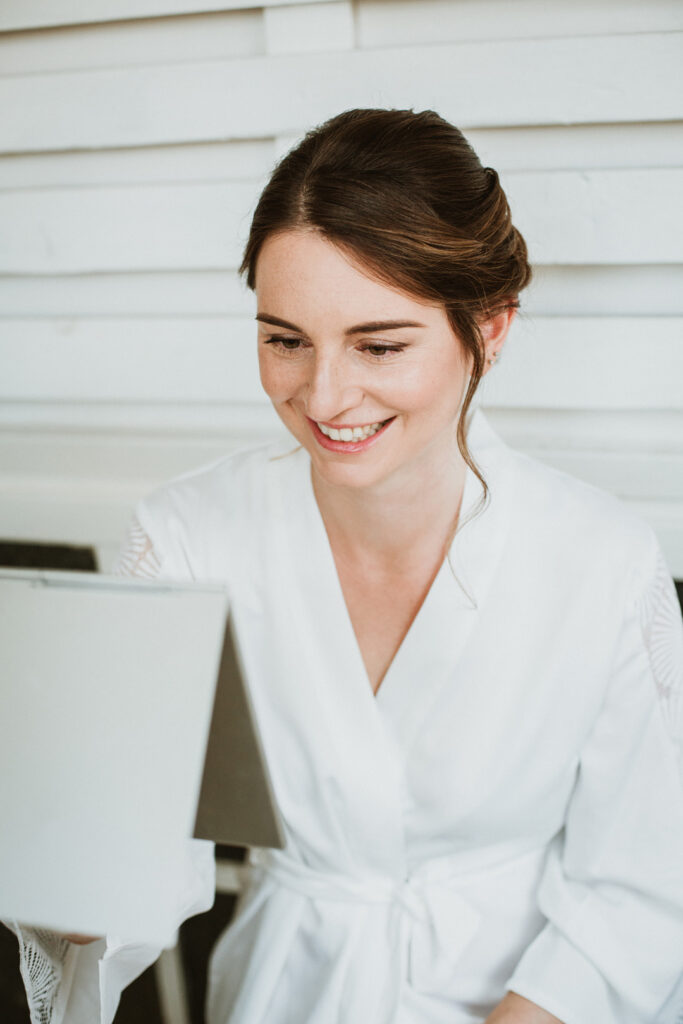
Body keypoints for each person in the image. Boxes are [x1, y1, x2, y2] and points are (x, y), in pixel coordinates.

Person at [10, 108, 683, 1024]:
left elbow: (640, 888)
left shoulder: (602, 563)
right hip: (285, 990)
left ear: (490, 327)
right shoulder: (184, 537)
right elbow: (113, 876)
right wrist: (67, 857)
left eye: (378, 345)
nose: (323, 396)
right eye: (284, 339)